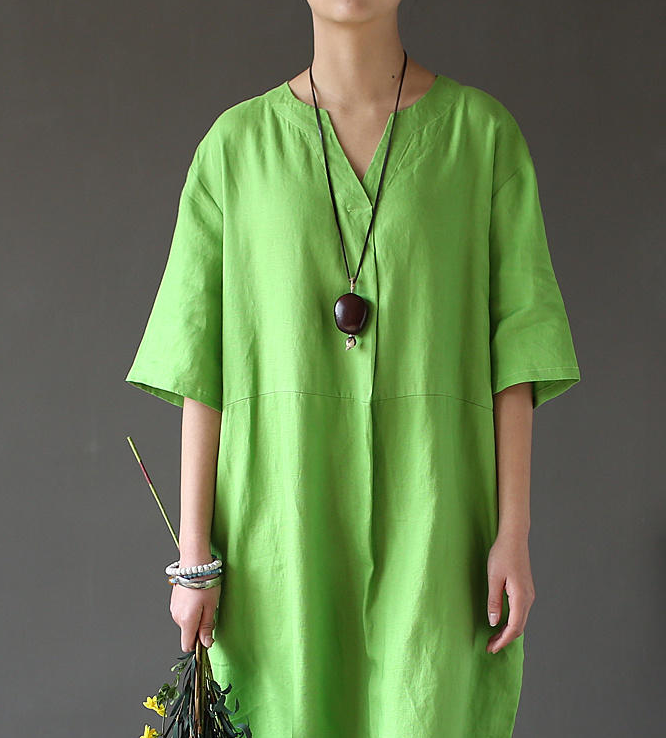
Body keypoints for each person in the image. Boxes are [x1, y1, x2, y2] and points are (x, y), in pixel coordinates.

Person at [125, 1, 581, 735]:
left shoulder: (481, 139)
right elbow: (201, 367)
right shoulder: (235, 150)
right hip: (279, 524)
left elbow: (517, 354)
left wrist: (514, 533)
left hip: (440, 523)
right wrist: (195, 557)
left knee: (427, 705)